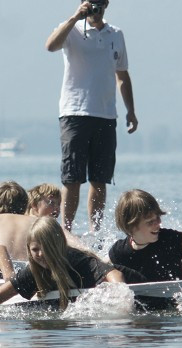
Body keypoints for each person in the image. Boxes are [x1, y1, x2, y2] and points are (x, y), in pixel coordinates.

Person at [46, 0, 138, 233]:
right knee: (72, 177)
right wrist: (75, 17)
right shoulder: (70, 29)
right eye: (90, 2)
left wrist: (131, 111)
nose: (95, 7)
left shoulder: (115, 34)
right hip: (74, 112)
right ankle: (65, 232)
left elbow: (122, 75)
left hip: (105, 114)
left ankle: (94, 232)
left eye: (99, 2)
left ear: (106, 3)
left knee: (100, 179)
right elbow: (50, 46)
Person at [0, 217, 125, 309]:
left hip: (133, 279)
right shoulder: (34, 271)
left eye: (46, 248)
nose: (40, 254)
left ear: (58, 245)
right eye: (35, 249)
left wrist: (121, 299)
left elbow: (115, 274)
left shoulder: (77, 260)